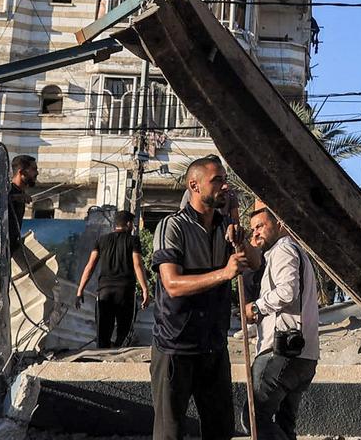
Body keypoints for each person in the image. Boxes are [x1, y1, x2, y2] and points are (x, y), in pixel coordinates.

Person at [150, 156, 250, 440]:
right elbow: (172, 285)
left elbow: (253, 261)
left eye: (224, 179)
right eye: (216, 180)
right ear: (194, 185)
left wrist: (236, 223)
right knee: (170, 433)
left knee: (220, 430)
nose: (224, 185)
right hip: (175, 347)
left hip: (213, 346)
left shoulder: (225, 228)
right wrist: (224, 273)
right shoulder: (172, 227)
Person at [243, 202, 319, 440]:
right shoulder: (295, 253)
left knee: (254, 420)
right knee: (285, 426)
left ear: (280, 225)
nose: (255, 232)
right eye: (252, 229)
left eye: (261, 226)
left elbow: (287, 292)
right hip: (303, 356)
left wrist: (256, 306)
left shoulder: (282, 250)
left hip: (281, 352)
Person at [75, 210, 151, 348]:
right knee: (124, 331)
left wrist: (80, 290)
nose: (133, 227)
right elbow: (138, 265)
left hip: (104, 292)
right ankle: (118, 359)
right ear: (128, 224)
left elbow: (90, 266)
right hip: (125, 292)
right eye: (132, 224)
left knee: (103, 332)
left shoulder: (101, 240)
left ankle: (103, 361)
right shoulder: (133, 240)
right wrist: (145, 290)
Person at [7, 154, 38, 253]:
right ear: (21, 172)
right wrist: (14, 198)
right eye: (33, 169)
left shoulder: (21, 193)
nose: (37, 173)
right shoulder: (7, 191)